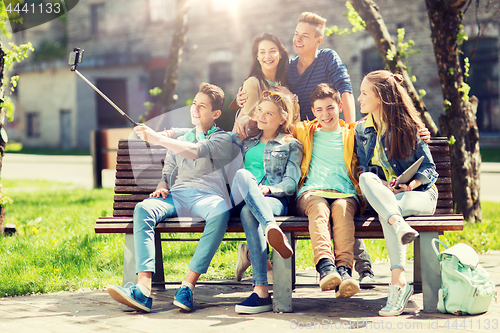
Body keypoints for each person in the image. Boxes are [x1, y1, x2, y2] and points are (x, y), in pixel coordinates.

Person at [234, 14, 376, 285]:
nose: (297, 39)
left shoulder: (328, 59)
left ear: (318, 41)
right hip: (300, 140)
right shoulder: (288, 67)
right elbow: (267, 83)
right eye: (296, 34)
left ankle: (357, 266)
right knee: (318, 201)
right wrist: (244, 101)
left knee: (341, 195)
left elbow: (345, 90)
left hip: (327, 133)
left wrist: (349, 127)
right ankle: (318, 267)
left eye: (304, 36)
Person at [106, 83, 238, 313]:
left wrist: (158, 138)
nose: (195, 109)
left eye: (202, 106)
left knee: (220, 212)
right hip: (178, 195)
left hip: (208, 198)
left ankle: (187, 286)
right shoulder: (183, 135)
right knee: (144, 209)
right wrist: (163, 183)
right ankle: (143, 289)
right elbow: (169, 168)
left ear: (216, 114)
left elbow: (195, 150)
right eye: (194, 104)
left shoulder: (222, 139)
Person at [355, 70, 438, 316]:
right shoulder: (362, 131)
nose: (359, 99)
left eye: (363, 93)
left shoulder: (410, 127)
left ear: (379, 97)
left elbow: (430, 170)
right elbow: (365, 169)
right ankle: (399, 279)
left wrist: (408, 185)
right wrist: (383, 182)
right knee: (366, 178)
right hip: (387, 195)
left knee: (390, 209)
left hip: (419, 194)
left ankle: (399, 283)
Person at [232, 90, 303, 314]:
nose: (261, 116)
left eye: (269, 113)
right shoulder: (246, 142)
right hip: (243, 197)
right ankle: (271, 228)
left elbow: (291, 183)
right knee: (243, 177)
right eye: (259, 110)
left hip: (274, 201)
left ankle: (261, 291)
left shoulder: (291, 145)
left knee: (248, 214)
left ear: (282, 119)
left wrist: (270, 188)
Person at [293, 83, 363, 299]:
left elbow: (383, 127)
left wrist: (421, 131)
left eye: (330, 107)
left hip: (345, 193)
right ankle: (326, 267)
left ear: (340, 106)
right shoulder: (304, 131)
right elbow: (274, 120)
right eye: (319, 109)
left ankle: (344, 271)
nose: (325, 114)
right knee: (319, 208)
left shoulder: (352, 133)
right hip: (311, 193)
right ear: (313, 112)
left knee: (341, 210)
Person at [230, 32, 300, 123]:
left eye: (272, 51)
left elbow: (295, 123)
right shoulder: (252, 83)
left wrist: (292, 99)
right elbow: (250, 123)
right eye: (262, 52)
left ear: (280, 54)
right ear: (257, 57)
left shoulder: (284, 86)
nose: (267, 56)